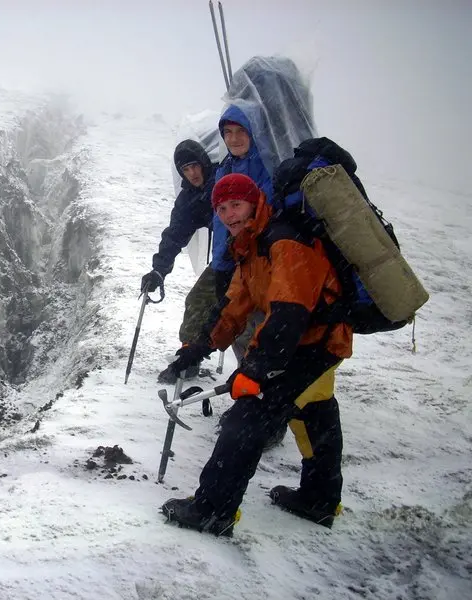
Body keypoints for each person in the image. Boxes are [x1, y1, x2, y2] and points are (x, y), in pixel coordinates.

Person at [160, 173, 352, 537]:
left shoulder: (284, 243)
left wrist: (257, 369)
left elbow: (289, 315)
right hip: (311, 341)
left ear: (254, 202)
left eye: (236, 204)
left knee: (246, 419)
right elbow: (234, 308)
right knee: (314, 411)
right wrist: (198, 348)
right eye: (221, 207)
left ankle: (214, 511)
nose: (229, 214)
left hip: (313, 343)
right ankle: (320, 499)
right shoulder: (251, 246)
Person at [147, 56, 318, 385]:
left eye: (241, 131)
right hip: (231, 261)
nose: (234, 138)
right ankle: (197, 358)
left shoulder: (268, 165)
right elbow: (176, 233)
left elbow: (266, 214)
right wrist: (160, 268)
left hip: (260, 259)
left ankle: (262, 387)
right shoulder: (222, 171)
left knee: (254, 322)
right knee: (211, 308)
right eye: (228, 132)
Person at [140, 139, 217, 380]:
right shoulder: (189, 200)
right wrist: (159, 270)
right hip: (228, 257)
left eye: (195, 165)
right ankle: (188, 357)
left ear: (204, 162)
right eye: (185, 169)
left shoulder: (225, 178)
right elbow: (174, 235)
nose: (192, 173)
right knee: (198, 300)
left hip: (255, 250)